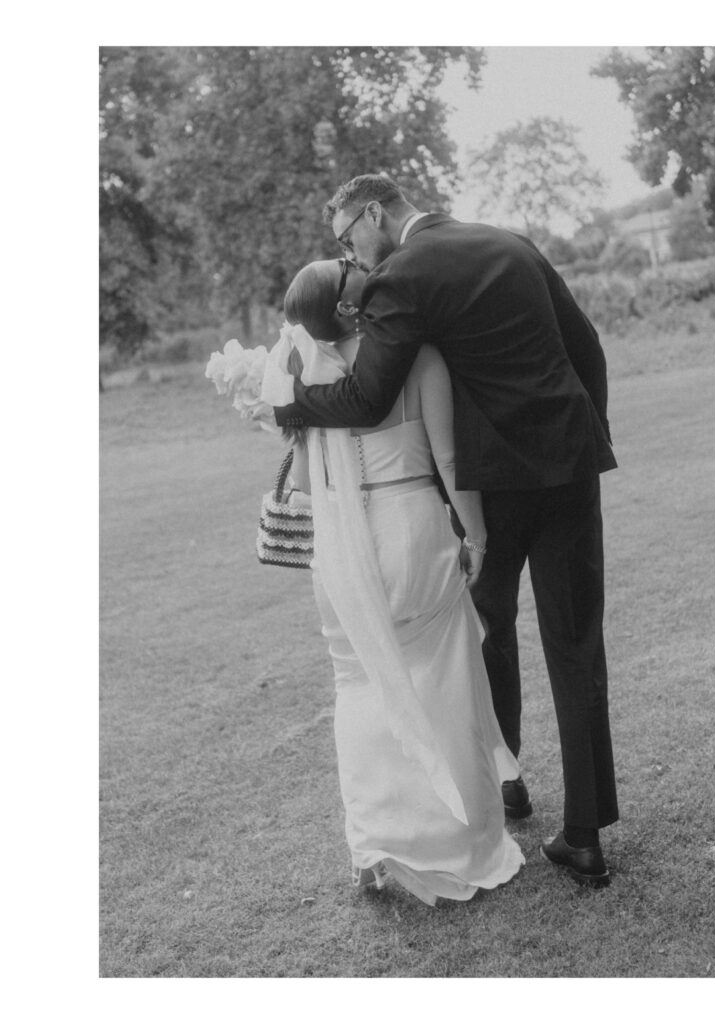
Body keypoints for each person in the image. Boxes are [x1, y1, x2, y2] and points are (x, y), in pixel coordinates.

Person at [272, 174, 619, 887]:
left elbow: (368, 396)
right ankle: (583, 834)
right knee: (577, 643)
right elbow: (586, 348)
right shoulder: (510, 243)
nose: (353, 257)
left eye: (348, 239)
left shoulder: (399, 275)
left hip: (491, 483)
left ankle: (507, 781)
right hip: (567, 463)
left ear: (375, 212)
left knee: (487, 632)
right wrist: (586, 431)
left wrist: (290, 402)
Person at [260, 258, 524, 907]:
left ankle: (376, 843)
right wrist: (477, 536)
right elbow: (450, 457)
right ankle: (460, 844)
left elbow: (298, 473)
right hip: (411, 527)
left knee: (358, 682)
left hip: (343, 549)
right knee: (443, 679)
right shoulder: (419, 358)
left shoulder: (299, 376)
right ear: (355, 304)